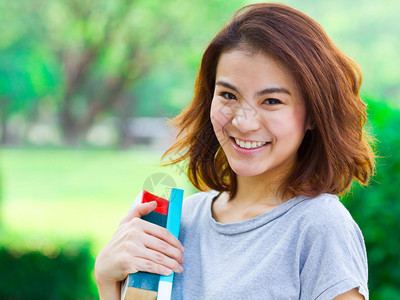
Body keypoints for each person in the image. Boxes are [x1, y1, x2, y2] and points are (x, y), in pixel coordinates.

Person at [95, 3, 375, 299]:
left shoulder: (321, 227)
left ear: (313, 115)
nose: (243, 122)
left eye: (271, 101)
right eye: (228, 95)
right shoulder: (179, 221)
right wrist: (106, 281)